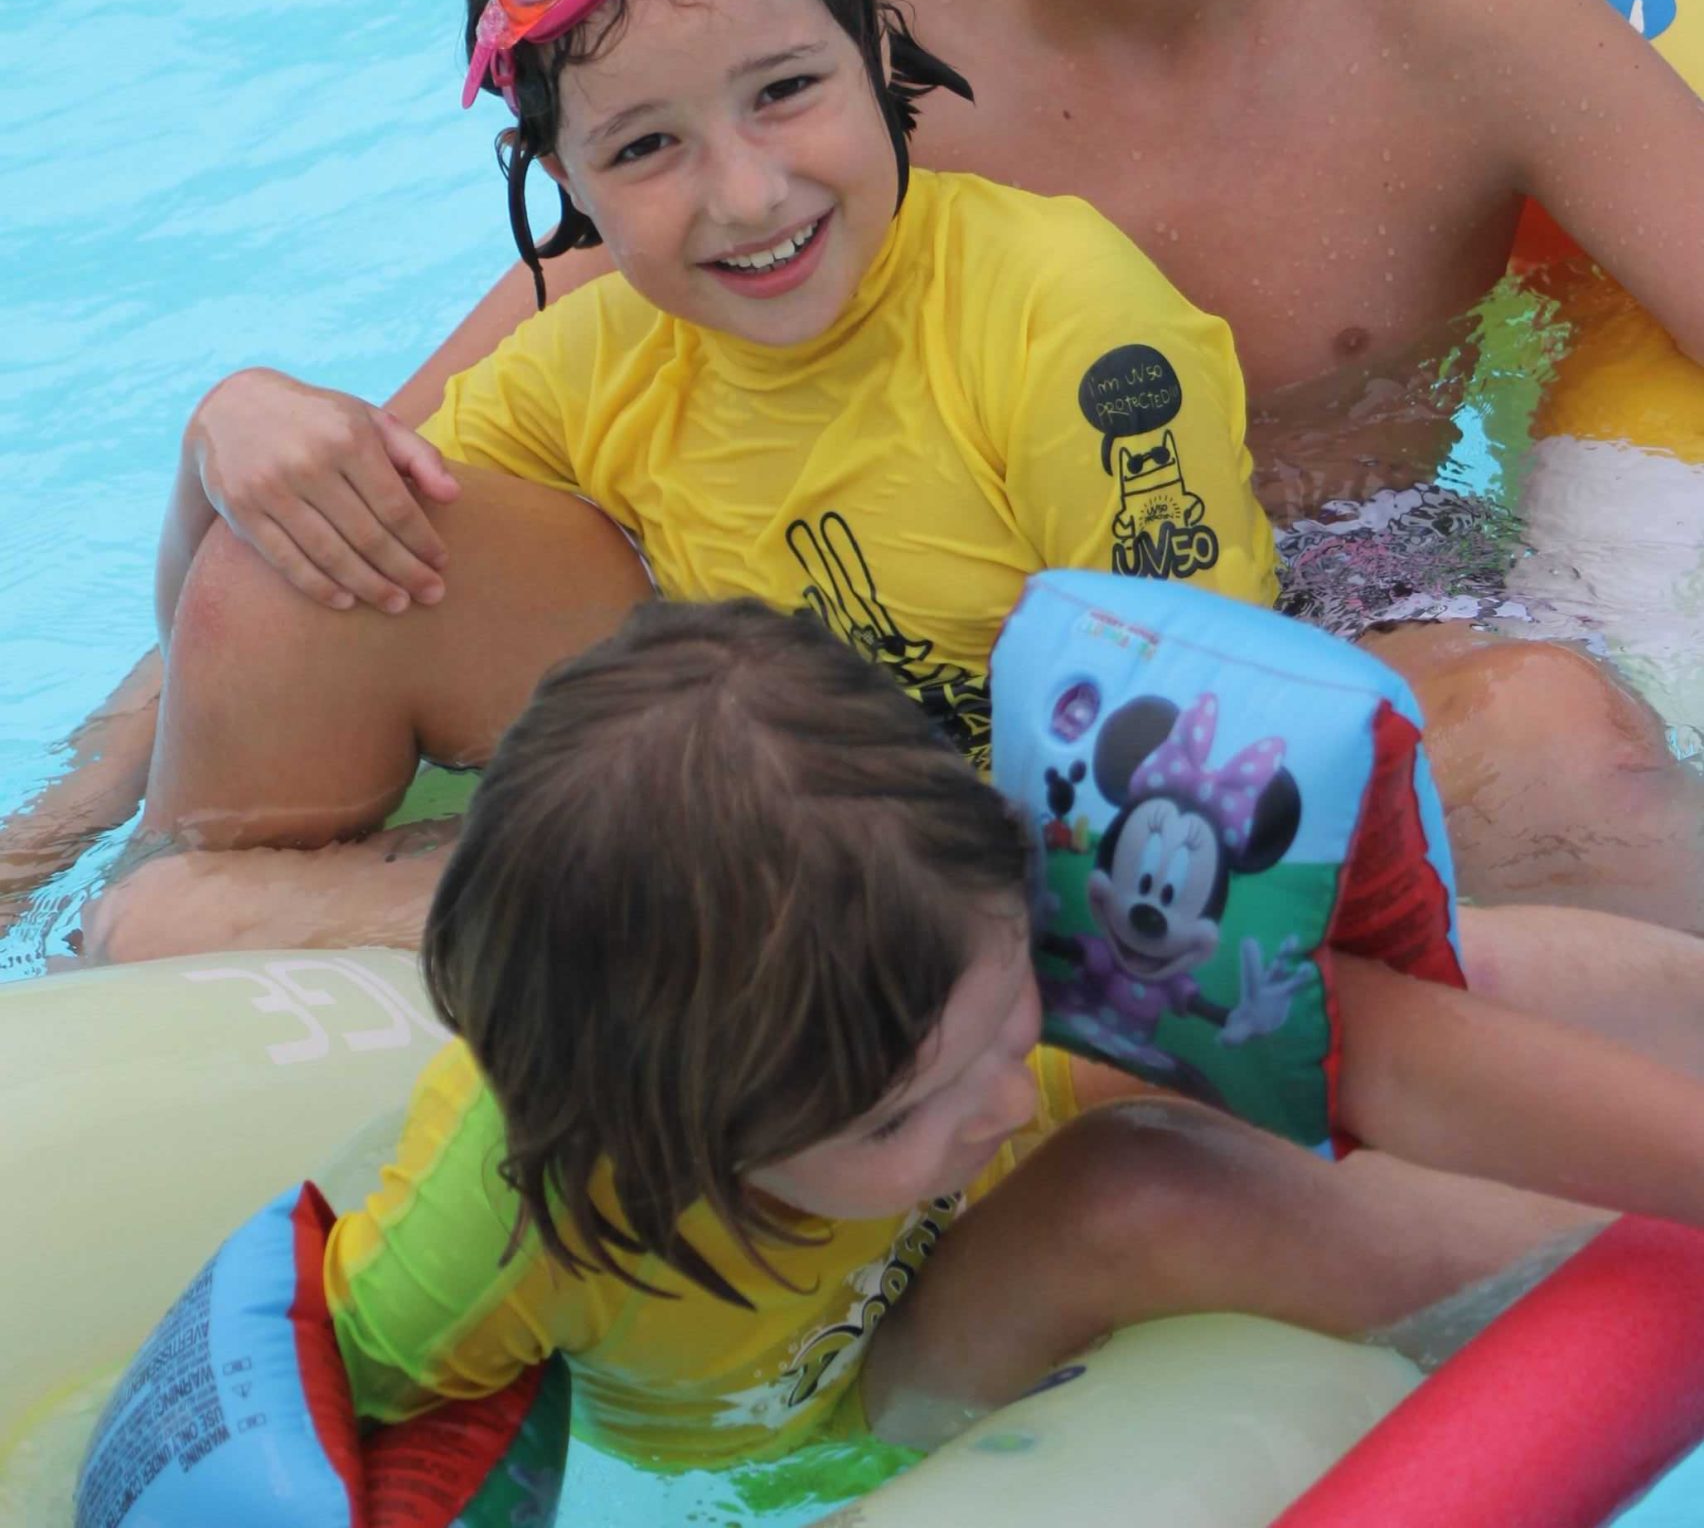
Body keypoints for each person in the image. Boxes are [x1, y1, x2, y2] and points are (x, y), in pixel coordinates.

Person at [75, 0, 1275, 960]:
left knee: (171, 922)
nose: (747, 195)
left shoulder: (1065, 327)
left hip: (984, 890)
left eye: (785, 90)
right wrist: (216, 444)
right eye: (647, 144)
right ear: (563, 177)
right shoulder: (593, 368)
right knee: (314, 561)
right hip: (779, 821)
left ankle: (372, 915)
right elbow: (261, 620)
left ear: (872, 43)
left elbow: (1190, 813)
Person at [215, 600, 1704, 1501]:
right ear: (680, 1138)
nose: (999, 1096)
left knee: (1417, 980)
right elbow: (303, 1413)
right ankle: (1602, 1267)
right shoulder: (506, 1227)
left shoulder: (954, 923)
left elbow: (1386, 1052)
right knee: (1134, 1187)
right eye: (901, 1114)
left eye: (1003, 1024)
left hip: (941, 1211)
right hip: (840, 1416)